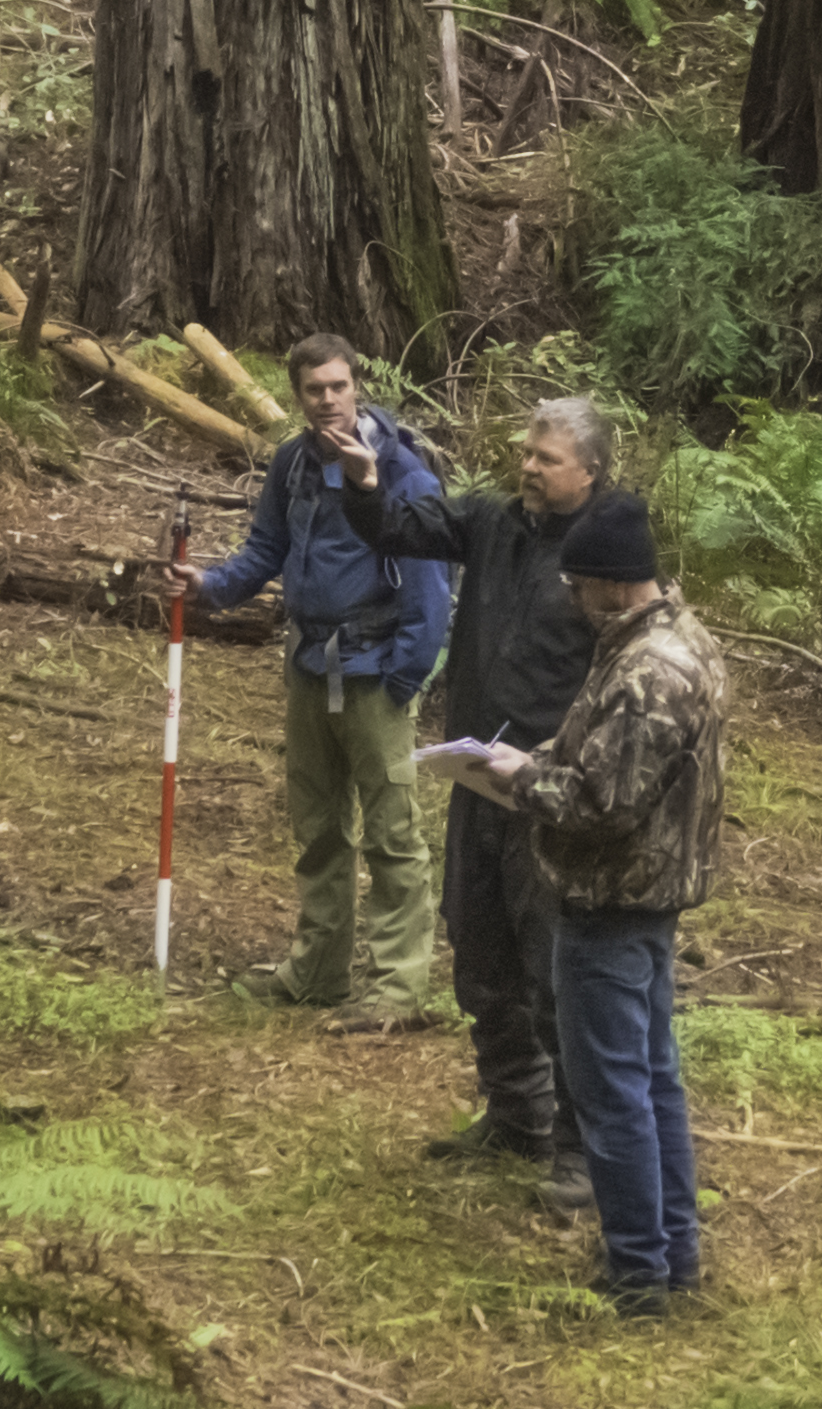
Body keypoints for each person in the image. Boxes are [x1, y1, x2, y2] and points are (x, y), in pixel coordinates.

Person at [430, 489, 723, 1312]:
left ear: (615, 583)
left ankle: (637, 1276)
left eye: (579, 585)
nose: (571, 600)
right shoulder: (667, 641)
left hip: (611, 898)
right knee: (653, 1080)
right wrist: (536, 755)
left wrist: (525, 782)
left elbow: (602, 802)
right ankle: (674, 1258)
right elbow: (601, 751)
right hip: (644, 895)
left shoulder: (647, 672)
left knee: (614, 1093)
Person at [179, 337, 455, 1020]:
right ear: (299, 396)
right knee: (318, 827)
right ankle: (319, 969)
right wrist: (210, 587)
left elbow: (431, 591)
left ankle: (396, 985)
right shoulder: (293, 465)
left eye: (338, 386)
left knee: (393, 835)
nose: (328, 399)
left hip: (375, 673)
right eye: (314, 389)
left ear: (355, 386)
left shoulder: (403, 473)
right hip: (308, 665)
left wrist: (404, 680)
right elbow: (267, 548)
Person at [374, 397, 611, 1180]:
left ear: (591, 470)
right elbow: (406, 528)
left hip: (549, 795)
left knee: (552, 974)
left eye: (547, 459)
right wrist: (364, 478)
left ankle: (579, 1150)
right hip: (476, 775)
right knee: (479, 951)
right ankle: (517, 1116)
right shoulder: (493, 522)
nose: (529, 468)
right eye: (527, 453)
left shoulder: (608, 551)